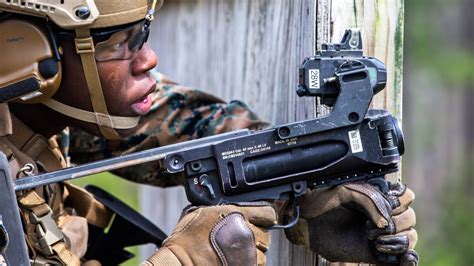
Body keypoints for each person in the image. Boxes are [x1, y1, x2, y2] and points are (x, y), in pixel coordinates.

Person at [0, 0, 418, 265]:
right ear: (24, 52)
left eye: (143, 34)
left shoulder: (52, 112)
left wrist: (301, 187)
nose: (148, 58)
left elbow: (193, 127)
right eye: (117, 44)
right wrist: (186, 260)